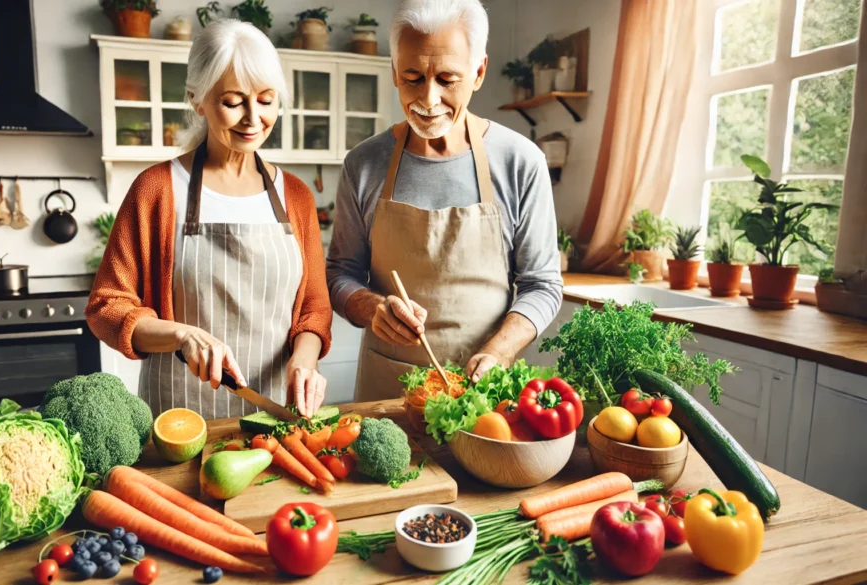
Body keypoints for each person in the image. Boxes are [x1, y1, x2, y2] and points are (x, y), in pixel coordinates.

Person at [87, 19, 331, 419]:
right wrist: (182, 335)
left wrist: (305, 361)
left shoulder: (297, 197)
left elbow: (314, 309)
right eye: (233, 101)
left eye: (266, 100)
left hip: (274, 415)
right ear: (197, 100)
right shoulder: (157, 190)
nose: (253, 118)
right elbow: (107, 307)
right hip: (178, 418)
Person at [326, 0, 563, 401]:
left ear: (479, 72)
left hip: (483, 389)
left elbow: (542, 285)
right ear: (394, 73)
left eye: (447, 79)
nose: (429, 98)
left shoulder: (521, 161)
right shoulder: (363, 164)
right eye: (413, 77)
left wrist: (498, 351)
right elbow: (339, 274)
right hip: (388, 389)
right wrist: (372, 308)